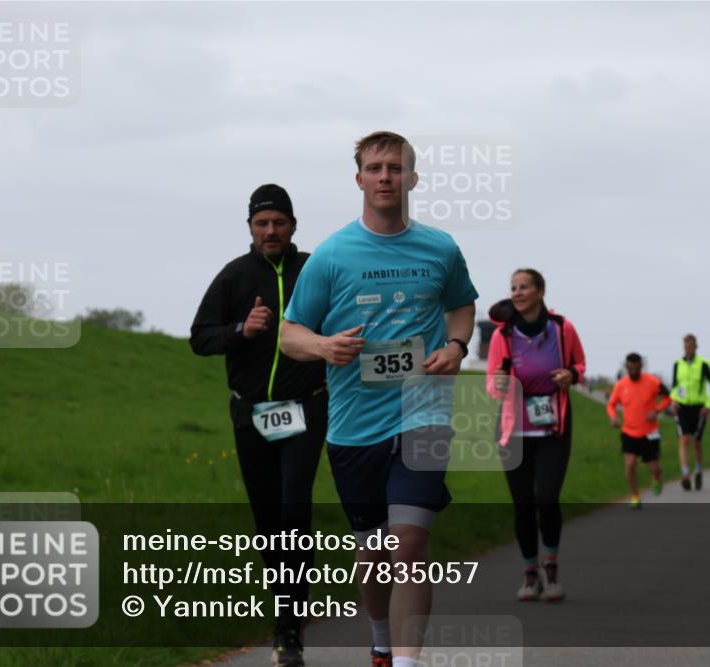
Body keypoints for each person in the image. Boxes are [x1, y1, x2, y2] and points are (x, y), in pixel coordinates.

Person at [279, 131, 478, 667]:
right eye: (375, 168)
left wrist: (457, 345)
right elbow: (288, 332)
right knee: (376, 553)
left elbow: (462, 307)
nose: (385, 176)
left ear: (413, 178)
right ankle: (382, 642)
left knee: (410, 544)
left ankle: (409, 662)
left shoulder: (440, 248)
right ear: (359, 179)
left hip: (424, 414)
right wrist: (323, 345)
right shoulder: (333, 254)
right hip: (353, 425)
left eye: (395, 168)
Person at [190, 184, 327, 667]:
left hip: (305, 408)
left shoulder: (314, 268)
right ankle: (287, 606)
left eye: (279, 222)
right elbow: (199, 338)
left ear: (293, 226)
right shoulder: (234, 276)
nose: (271, 230)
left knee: (294, 511)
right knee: (269, 522)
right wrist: (239, 331)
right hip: (251, 412)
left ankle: (288, 629)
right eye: (261, 223)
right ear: (250, 227)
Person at [486, 269, 586, 601]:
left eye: (524, 287)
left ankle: (552, 569)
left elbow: (580, 366)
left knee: (547, 498)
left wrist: (570, 375)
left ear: (540, 291)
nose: (517, 292)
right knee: (523, 506)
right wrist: (499, 385)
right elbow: (492, 382)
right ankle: (530, 574)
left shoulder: (562, 328)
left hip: (552, 425)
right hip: (514, 428)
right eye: (513, 287)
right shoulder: (503, 333)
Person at [607, 353, 671, 509]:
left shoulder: (653, 382)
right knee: (629, 465)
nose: (633, 372)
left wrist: (656, 410)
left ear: (641, 367)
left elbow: (668, 398)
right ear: (626, 367)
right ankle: (635, 496)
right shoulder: (621, 385)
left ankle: (656, 478)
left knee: (654, 468)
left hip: (649, 432)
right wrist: (613, 417)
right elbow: (611, 405)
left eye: (636, 368)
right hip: (629, 432)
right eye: (630, 368)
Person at [670, 334, 710, 491]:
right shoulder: (678, 364)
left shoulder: (704, 364)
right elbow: (674, 386)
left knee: (697, 442)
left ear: (696, 347)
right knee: (684, 440)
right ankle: (685, 474)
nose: (688, 349)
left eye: (691, 346)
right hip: (683, 407)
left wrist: (708, 405)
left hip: (699, 408)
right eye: (686, 347)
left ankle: (698, 470)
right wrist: (674, 401)